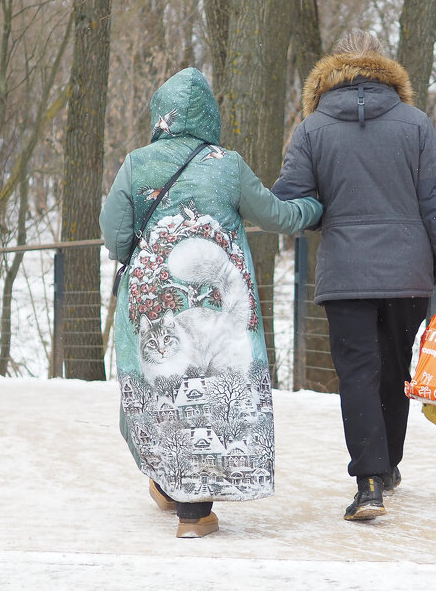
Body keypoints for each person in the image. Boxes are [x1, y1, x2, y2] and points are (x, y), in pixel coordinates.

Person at [100, 67, 323, 538]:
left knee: (159, 391)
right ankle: (194, 511)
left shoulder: (136, 163)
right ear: (209, 115)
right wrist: (316, 207)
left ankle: (171, 485)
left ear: (161, 114)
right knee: (211, 393)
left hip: (152, 300)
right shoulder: (227, 164)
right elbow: (277, 216)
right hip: (217, 303)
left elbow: (115, 237)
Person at [272, 30, 436, 521]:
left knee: (358, 375)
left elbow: (290, 203)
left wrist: (325, 214)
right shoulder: (415, 124)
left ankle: (368, 483)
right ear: (385, 69)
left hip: (345, 275)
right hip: (408, 275)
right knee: (394, 369)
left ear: (330, 71)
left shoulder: (312, 129)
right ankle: (388, 468)